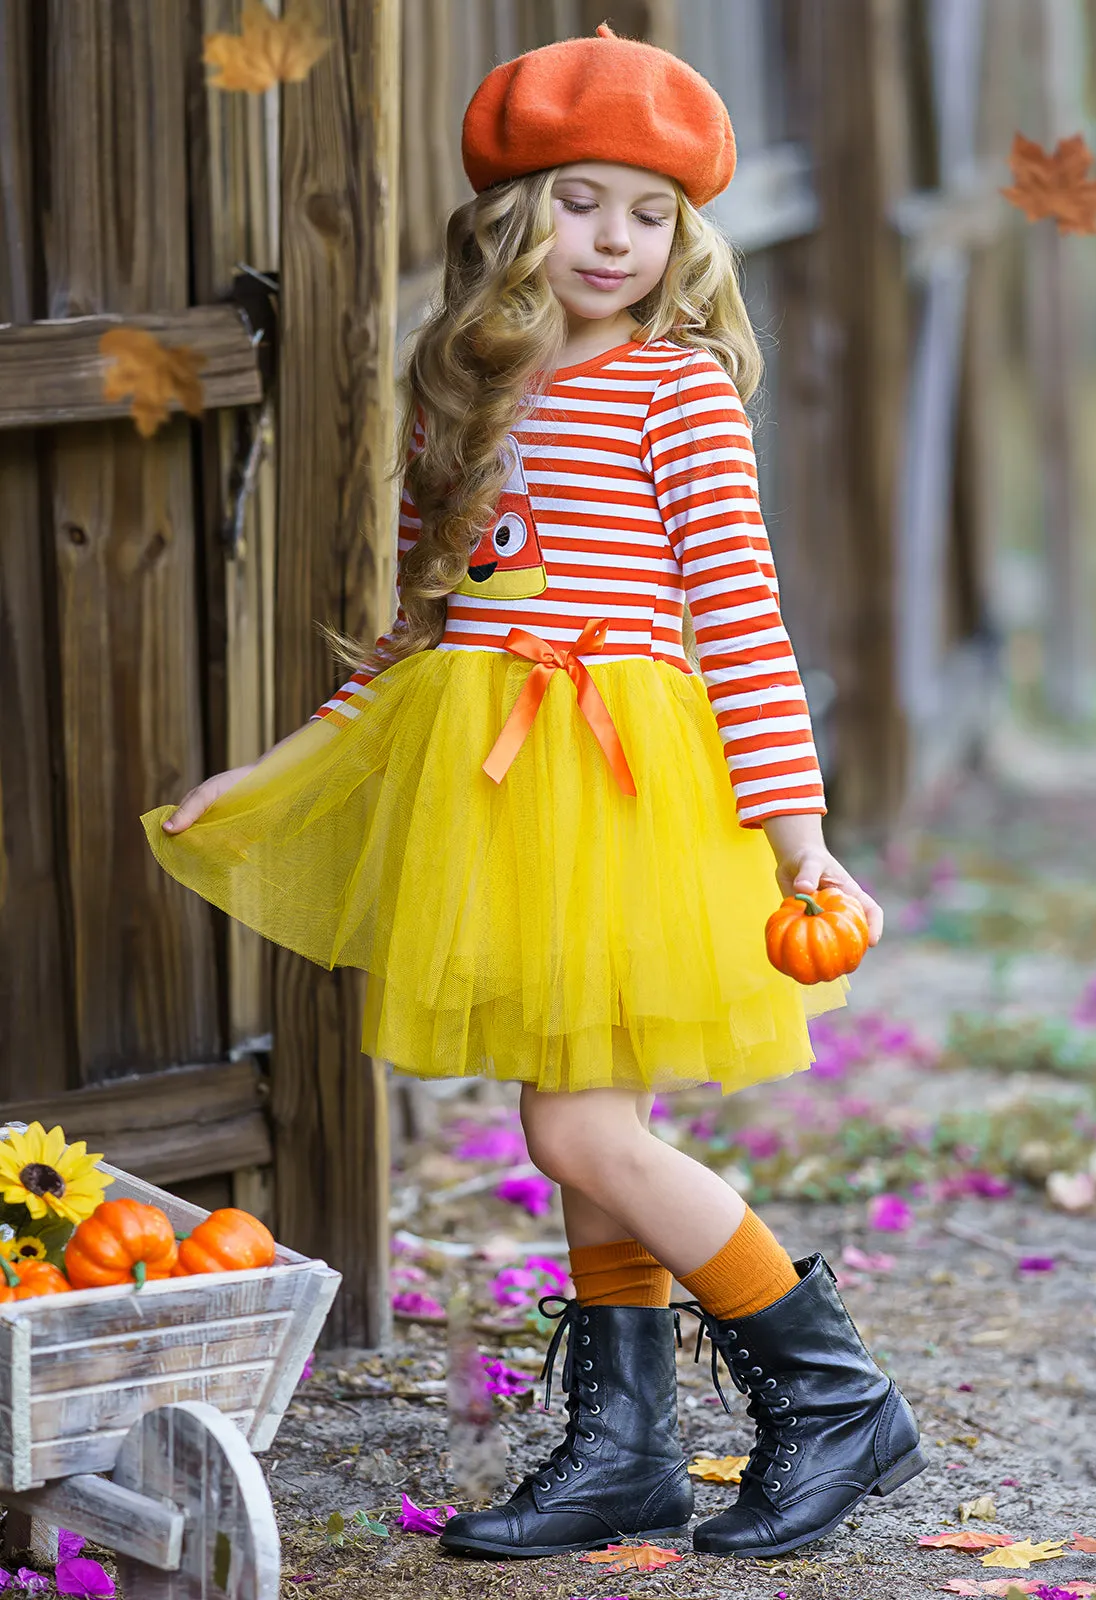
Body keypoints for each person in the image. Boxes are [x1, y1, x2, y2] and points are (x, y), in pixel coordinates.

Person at [142, 21, 926, 1562]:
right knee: (582, 1110)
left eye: (649, 212)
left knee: (576, 1133)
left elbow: (745, 629)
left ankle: (836, 1400)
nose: (617, 240)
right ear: (514, 217)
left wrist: (802, 844)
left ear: (685, 233)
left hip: (623, 793)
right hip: (498, 791)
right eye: (581, 202)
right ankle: (627, 1451)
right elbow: (425, 621)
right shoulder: (470, 389)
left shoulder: (677, 393)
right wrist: (280, 765)